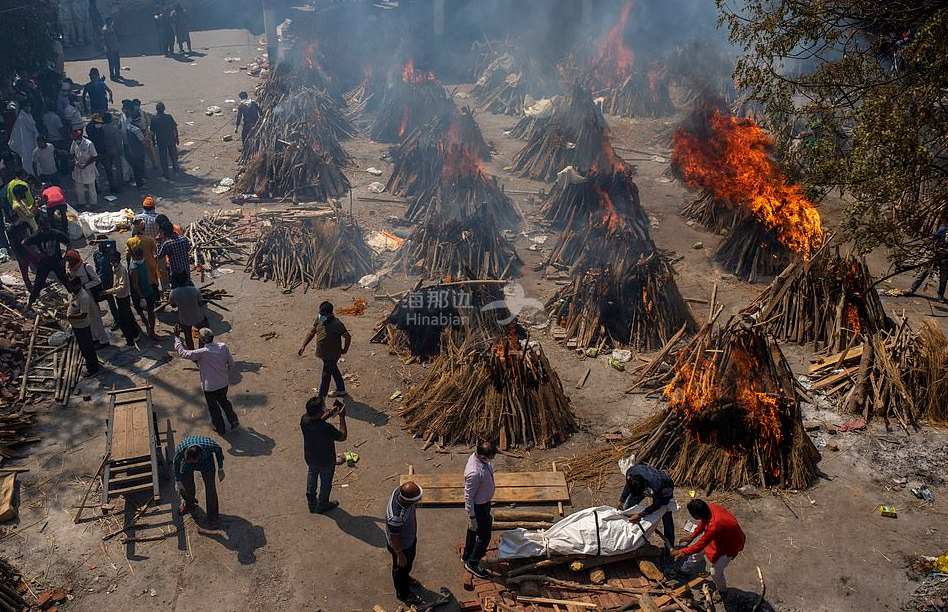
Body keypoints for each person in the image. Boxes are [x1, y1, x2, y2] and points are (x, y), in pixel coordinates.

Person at [673, 499, 746, 599]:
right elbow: (703, 522)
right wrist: (693, 535)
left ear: (696, 516)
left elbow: (700, 545)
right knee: (697, 553)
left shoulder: (714, 525)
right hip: (719, 537)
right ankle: (685, 570)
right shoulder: (709, 508)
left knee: (715, 571)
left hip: (731, 544)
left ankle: (722, 590)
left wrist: (681, 552)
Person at [173, 326, 238, 435]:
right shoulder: (223, 347)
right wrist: (225, 372)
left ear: (202, 340)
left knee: (214, 408)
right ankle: (233, 419)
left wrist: (177, 338)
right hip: (223, 383)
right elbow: (231, 363)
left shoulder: (201, 352)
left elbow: (183, 353)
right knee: (224, 401)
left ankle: (220, 428)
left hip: (210, 387)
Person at [300, 395, 347, 513]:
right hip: (326, 460)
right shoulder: (326, 428)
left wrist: (330, 413)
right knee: (326, 483)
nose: (324, 409)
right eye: (323, 409)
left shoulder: (304, 420)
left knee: (312, 474)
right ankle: (323, 504)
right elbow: (342, 436)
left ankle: (311, 501)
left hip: (310, 457)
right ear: (318, 413)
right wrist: (342, 417)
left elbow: (317, 421)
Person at [297, 301, 351, 398]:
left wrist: (345, 349)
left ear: (330, 314)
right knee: (333, 369)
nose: (321, 316)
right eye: (320, 313)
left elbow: (347, 337)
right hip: (323, 354)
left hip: (332, 354)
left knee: (325, 375)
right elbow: (312, 331)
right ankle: (341, 389)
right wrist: (303, 345)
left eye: (323, 314)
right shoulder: (319, 319)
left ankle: (321, 398)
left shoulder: (337, 324)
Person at [617, 463, 677, 549]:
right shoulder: (630, 473)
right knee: (628, 507)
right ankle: (628, 537)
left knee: (666, 517)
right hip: (645, 486)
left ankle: (669, 548)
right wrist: (621, 500)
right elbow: (628, 486)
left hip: (665, 489)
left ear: (645, 487)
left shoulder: (657, 485)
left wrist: (640, 515)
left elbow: (657, 505)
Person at [384, 482, 425, 606]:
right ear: (408, 501)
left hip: (409, 538)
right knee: (400, 568)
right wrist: (400, 554)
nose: (419, 501)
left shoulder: (398, 491)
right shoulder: (396, 517)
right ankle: (403, 593)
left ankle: (406, 577)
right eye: (417, 500)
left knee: (408, 563)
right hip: (400, 546)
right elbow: (394, 537)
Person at [173, 436, 225, 529]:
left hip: (206, 463)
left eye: (193, 461)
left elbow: (218, 450)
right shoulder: (182, 449)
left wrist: (220, 467)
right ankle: (188, 503)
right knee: (186, 485)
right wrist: (177, 480)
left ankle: (213, 517)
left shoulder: (210, 446)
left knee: (210, 489)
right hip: (186, 465)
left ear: (198, 457)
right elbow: (176, 462)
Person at [462, 441, 497, 579]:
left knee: (473, 530)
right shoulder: (474, 473)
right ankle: (473, 562)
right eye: (490, 457)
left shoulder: (480, 460)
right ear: (482, 456)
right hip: (479, 507)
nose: (491, 460)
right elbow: (468, 496)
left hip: (484, 504)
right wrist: (472, 517)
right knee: (484, 536)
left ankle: (467, 553)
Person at [64, 250, 110, 347]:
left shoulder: (86, 267)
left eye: (71, 259)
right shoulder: (72, 269)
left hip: (89, 295)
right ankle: (94, 338)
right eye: (68, 260)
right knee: (88, 318)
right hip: (79, 295)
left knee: (95, 318)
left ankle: (103, 340)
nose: (70, 262)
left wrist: (86, 286)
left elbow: (97, 280)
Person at [24, 215, 70, 306]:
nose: (47, 227)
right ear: (40, 226)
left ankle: (76, 299)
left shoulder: (56, 233)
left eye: (48, 224)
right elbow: (24, 243)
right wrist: (37, 254)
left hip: (57, 262)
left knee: (65, 281)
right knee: (38, 284)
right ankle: (30, 303)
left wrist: (65, 259)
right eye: (44, 225)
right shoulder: (37, 235)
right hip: (44, 263)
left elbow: (69, 243)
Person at [103, 250, 140, 346]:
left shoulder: (122, 270)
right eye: (111, 260)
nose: (112, 262)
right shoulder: (114, 268)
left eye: (114, 260)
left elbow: (121, 287)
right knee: (130, 317)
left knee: (124, 321)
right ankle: (135, 334)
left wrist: (108, 291)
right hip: (120, 297)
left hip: (123, 297)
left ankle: (130, 342)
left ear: (119, 259)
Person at [65, 278, 101, 375]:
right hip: (77, 326)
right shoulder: (75, 294)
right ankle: (93, 363)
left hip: (82, 327)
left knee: (87, 348)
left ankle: (92, 368)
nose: (70, 288)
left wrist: (69, 316)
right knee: (84, 347)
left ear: (77, 285)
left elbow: (83, 314)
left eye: (71, 286)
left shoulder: (83, 297)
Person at [904, 227, 948, 303]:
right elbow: (932, 238)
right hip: (934, 255)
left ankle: (941, 295)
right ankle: (912, 289)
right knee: (924, 272)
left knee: (943, 278)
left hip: (945, 259)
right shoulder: (943, 230)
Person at [128, 247, 158, 339]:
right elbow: (135, 285)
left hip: (148, 290)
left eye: (141, 257)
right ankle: (143, 318)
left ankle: (152, 332)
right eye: (138, 257)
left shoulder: (144, 262)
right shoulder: (133, 268)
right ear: (134, 257)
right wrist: (141, 298)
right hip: (139, 294)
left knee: (151, 312)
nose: (140, 259)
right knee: (139, 309)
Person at [91, 239, 122, 328]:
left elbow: (113, 241)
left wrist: (98, 240)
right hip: (101, 280)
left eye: (104, 245)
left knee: (114, 299)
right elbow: (97, 267)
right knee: (105, 300)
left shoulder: (110, 252)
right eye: (102, 245)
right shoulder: (96, 254)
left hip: (112, 279)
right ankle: (115, 319)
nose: (104, 247)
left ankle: (118, 319)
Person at [169, 272, 204, 348]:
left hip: (184, 318)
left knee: (188, 336)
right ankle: (200, 350)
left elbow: (173, 305)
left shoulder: (173, 293)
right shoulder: (195, 290)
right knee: (200, 333)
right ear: (187, 280)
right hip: (197, 316)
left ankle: (192, 353)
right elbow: (200, 304)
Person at [69, 129, 98, 207]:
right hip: (78, 169)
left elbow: (94, 156)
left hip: (89, 169)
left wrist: (86, 164)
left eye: (76, 138)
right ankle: (81, 203)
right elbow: (72, 154)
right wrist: (75, 162)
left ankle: (93, 203)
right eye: (74, 139)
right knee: (78, 187)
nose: (76, 140)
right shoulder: (74, 142)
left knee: (91, 187)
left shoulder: (89, 144)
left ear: (80, 136)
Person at [122, 103, 148, 188]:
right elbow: (143, 141)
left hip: (131, 150)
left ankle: (139, 182)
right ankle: (140, 184)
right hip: (139, 151)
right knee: (139, 168)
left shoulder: (129, 126)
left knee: (136, 168)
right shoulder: (137, 130)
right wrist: (148, 135)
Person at [8, 104, 39, 176]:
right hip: (26, 140)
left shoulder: (28, 115)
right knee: (27, 157)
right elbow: (30, 126)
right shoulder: (22, 117)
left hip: (30, 139)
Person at [151, 102, 179, 178]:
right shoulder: (169, 117)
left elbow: (152, 132)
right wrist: (177, 138)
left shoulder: (154, 119)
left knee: (163, 158)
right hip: (171, 139)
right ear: (164, 109)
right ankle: (176, 167)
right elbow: (174, 128)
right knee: (173, 154)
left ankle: (166, 173)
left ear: (156, 110)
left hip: (161, 141)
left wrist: (153, 141)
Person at [99, 112, 123, 192]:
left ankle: (111, 184)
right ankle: (119, 185)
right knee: (118, 167)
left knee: (109, 168)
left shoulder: (102, 128)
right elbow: (118, 141)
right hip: (114, 149)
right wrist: (120, 149)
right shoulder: (114, 128)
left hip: (106, 149)